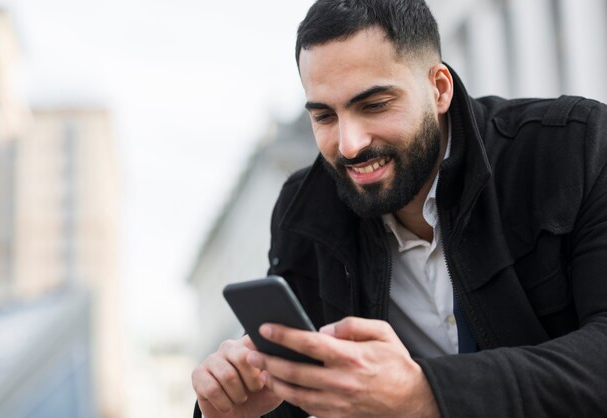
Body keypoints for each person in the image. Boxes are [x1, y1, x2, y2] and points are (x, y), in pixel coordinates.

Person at [191, 0, 607, 416]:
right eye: (324, 116)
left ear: (439, 89)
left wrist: (424, 392)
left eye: (373, 105)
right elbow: (297, 396)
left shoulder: (575, 148)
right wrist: (235, 409)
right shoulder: (306, 212)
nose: (350, 144)